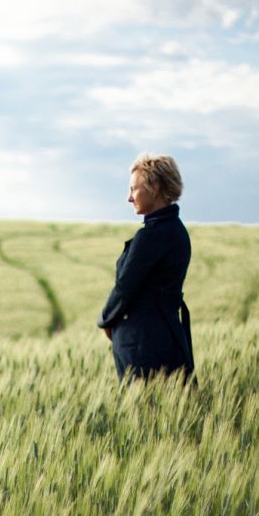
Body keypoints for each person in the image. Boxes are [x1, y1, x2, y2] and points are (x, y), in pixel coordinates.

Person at [97, 154, 195, 382]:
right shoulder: (178, 231)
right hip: (170, 339)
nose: (129, 198)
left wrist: (106, 320)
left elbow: (124, 288)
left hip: (142, 347)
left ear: (155, 187)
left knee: (144, 413)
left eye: (134, 189)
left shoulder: (150, 237)